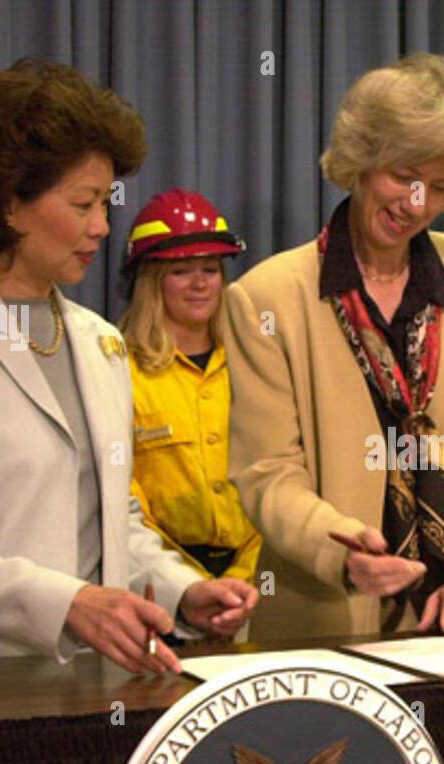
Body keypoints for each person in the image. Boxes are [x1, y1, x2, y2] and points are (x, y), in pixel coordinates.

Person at [0, 58, 257, 673]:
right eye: (83, 204)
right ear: (10, 204)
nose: (101, 227)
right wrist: (66, 604)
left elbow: (110, 524)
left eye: (103, 203)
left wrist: (184, 591)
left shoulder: (101, 343)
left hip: (84, 685)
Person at [223, 53, 444, 642]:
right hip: (325, 618)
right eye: (403, 175)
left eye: (439, 188)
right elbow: (266, 473)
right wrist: (338, 548)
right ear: (360, 163)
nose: (416, 204)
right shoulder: (264, 296)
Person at [119, 189, 261, 621]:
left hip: (257, 588)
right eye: (181, 271)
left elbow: (282, 470)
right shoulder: (118, 369)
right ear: (150, 281)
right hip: (158, 595)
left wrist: (246, 578)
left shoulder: (256, 361)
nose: (200, 283)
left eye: (210, 269)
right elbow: (120, 499)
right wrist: (185, 586)